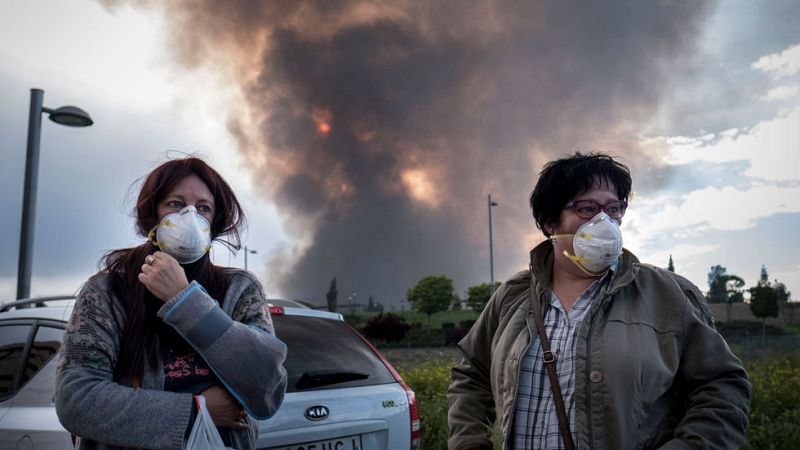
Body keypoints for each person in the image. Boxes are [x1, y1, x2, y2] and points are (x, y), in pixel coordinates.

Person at [447, 152, 751, 449]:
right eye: (587, 208)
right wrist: (468, 441)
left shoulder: (668, 296)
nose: (605, 221)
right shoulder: (513, 297)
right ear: (550, 221)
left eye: (615, 209)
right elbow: (471, 373)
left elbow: (722, 386)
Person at [56, 157, 288, 450]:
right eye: (175, 204)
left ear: (213, 224)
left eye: (203, 208)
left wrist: (186, 302)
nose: (190, 216)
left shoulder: (239, 289)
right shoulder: (106, 292)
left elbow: (267, 387)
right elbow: (76, 401)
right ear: (151, 216)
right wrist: (198, 411)